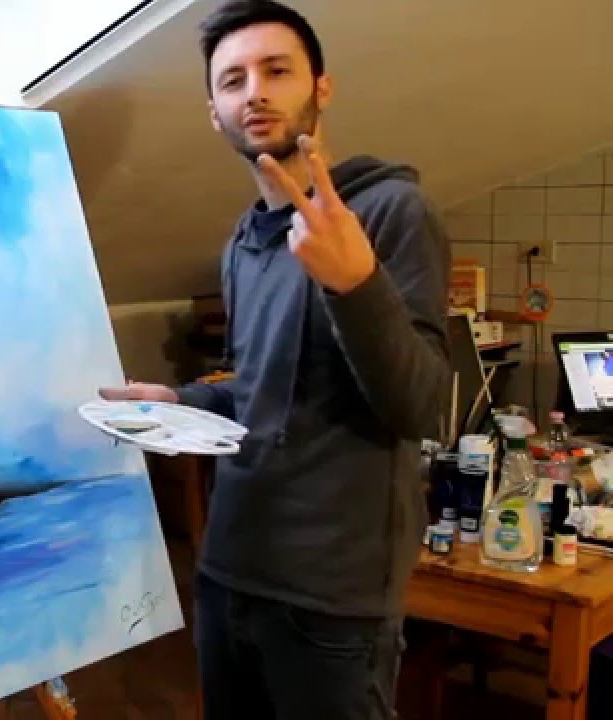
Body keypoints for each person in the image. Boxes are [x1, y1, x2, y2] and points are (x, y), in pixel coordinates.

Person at [99, 1, 452, 718]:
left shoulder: (390, 212)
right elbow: (256, 390)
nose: (254, 92)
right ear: (215, 112)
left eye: (277, 71)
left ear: (321, 87)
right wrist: (182, 402)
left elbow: (423, 406)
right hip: (230, 571)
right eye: (233, 80)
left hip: (334, 599)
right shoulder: (244, 241)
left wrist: (355, 283)